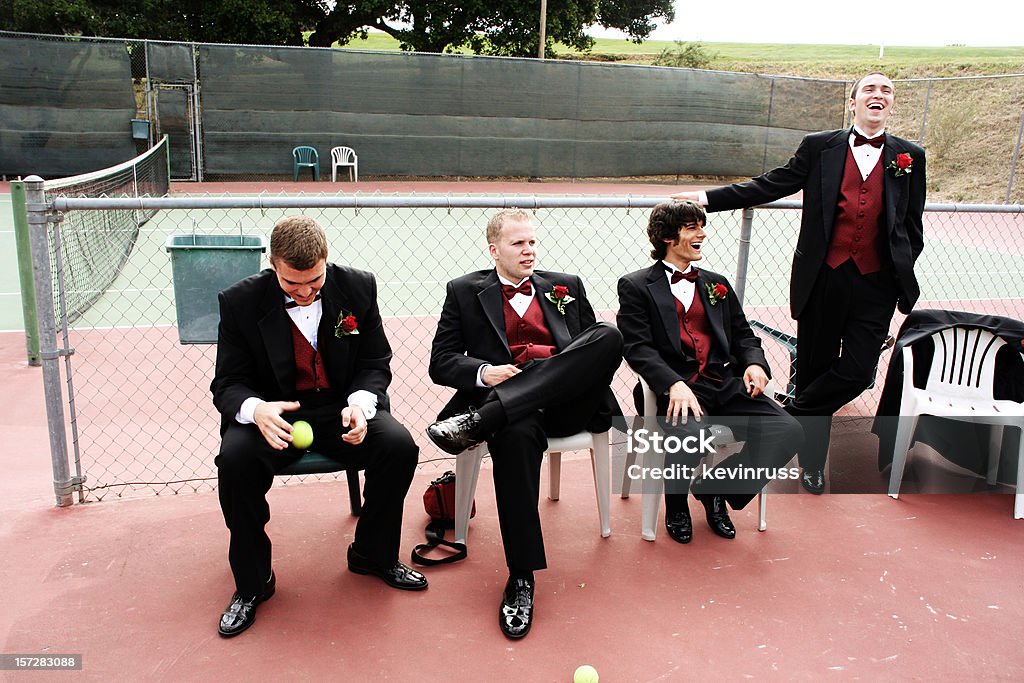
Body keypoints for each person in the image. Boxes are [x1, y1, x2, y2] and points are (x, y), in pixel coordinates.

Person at [672, 72, 926, 494]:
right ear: (853, 102)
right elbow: (774, 183)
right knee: (813, 369)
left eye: (887, 91)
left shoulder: (909, 156)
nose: (878, 96)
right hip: (822, 279)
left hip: (876, 284)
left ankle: (791, 412)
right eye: (870, 89)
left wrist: (899, 263)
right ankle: (813, 465)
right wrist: (709, 200)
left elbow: (912, 223)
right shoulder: (819, 146)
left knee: (860, 371)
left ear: (892, 104)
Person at [211, 215, 426, 639]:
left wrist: (360, 406)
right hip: (275, 414)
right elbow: (228, 382)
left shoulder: (358, 287)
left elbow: (373, 362)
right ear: (272, 264)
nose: (307, 293)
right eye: (293, 284)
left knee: (399, 447)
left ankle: (372, 554)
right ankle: (253, 584)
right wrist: (256, 411)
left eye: (315, 281)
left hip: (339, 409)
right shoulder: (239, 301)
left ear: (326, 260)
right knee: (234, 462)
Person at [426, 208, 622, 639]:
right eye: (518, 244)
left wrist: (544, 376)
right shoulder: (463, 291)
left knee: (609, 334)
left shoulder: (566, 286)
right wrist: (485, 372)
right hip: (513, 408)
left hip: (566, 404)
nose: (529, 250)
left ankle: (482, 419)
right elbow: (440, 362)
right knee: (513, 437)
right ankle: (521, 578)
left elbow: (590, 354)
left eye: (532, 242)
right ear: (494, 250)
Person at [618, 201, 802, 543]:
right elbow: (637, 347)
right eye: (692, 228)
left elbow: (743, 334)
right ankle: (676, 504)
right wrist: (672, 383)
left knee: (788, 429)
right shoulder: (636, 286)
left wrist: (753, 363)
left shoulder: (717, 284)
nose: (702, 234)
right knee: (689, 432)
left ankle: (714, 489)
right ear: (668, 238)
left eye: (701, 226)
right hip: (675, 388)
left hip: (723, 383)